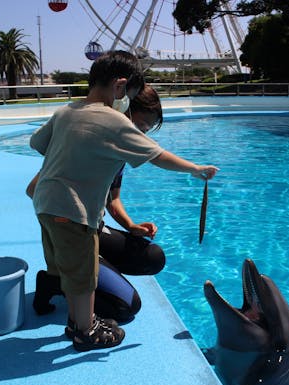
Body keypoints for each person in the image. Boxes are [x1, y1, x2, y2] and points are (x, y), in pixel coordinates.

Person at [29, 50, 218, 352]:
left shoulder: (66, 112)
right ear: (119, 87)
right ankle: (84, 330)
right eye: (129, 95)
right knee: (83, 275)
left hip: (45, 207)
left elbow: (37, 143)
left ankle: (76, 320)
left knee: (74, 267)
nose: (127, 102)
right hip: (74, 212)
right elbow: (157, 155)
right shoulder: (114, 122)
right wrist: (195, 168)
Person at [29, 84, 167, 321]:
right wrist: (71, 221)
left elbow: (114, 200)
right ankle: (56, 281)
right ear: (121, 113)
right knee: (126, 306)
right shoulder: (85, 142)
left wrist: (131, 226)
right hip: (75, 232)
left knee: (153, 258)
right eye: (140, 124)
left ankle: (90, 265)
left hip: (93, 229)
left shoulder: (121, 150)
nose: (142, 133)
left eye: (147, 128)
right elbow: (34, 189)